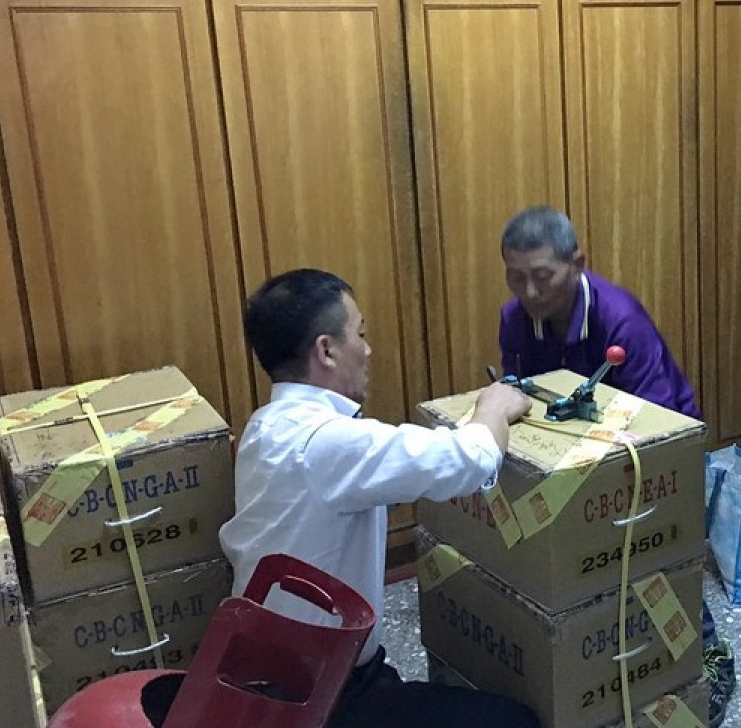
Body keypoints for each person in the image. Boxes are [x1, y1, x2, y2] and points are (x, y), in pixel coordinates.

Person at [220, 268, 540, 728]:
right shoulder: (326, 442)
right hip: (320, 698)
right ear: (326, 350)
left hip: (271, 678)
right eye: (361, 333)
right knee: (515, 722)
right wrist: (493, 407)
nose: (368, 349)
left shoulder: (265, 426)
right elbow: (471, 460)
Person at [498, 206, 736, 728]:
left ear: (577, 263)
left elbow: (659, 426)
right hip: (577, 459)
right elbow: (524, 402)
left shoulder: (620, 319)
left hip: (655, 455)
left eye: (542, 277)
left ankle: (710, 660)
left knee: (659, 565)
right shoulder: (515, 319)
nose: (530, 293)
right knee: (595, 577)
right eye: (516, 278)